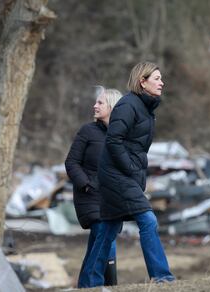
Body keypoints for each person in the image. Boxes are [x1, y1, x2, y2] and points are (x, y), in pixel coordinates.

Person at [80, 61, 175, 287]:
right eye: (156, 78)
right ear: (142, 82)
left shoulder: (146, 109)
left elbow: (136, 146)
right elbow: (113, 141)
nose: (162, 82)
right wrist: (131, 169)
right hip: (116, 175)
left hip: (124, 175)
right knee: (148, 220)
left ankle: (89, 284)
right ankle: (162, 276)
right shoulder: (128, 105)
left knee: (108, 228)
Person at [65, 87, 122, 288]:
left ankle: (85, 285)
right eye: (96, 102)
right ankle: (93, 285)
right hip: (89, 195)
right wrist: (86, 185)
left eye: (100, 103)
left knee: (97, 244)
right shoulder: (87, 131)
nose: (94, 106)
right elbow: (71, 163)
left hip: (112, 198)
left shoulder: (122, 134)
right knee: (104, 234)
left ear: (112, 107)